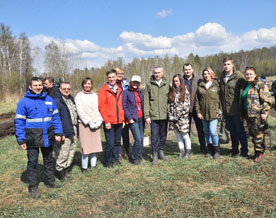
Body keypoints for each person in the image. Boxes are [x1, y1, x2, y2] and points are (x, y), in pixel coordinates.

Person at [14, 77, 63, 199]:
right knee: (32, 162)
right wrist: (21, 139)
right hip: (32, 137)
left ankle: (50, 181)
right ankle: (33, 186)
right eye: (35, 85)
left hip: (48, 135)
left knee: (48, 160)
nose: (38, 87)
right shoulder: (23, 102)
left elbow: (56, 118)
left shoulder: (49, 99)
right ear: (30, 86)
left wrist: (58, 133)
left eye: (40, 85)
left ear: (43, 86)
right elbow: (19, 122)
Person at [241, 67, 272, 162]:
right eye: (247, 74)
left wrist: (264, 112)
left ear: (255, 74)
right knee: (252, 134)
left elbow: (267, 100)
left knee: (259, 134)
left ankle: (259, 153)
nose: (248, 76)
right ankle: (256, 151)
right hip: (248, 114)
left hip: (257, 115)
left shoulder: (260, 85)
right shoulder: (245, 85)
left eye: (251, 74)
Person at [219, 57, 248, 157]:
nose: (226, 66)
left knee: (240, 131)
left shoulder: (238, 76)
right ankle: (235, 150)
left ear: (232, 65)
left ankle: (244, 150)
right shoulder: (222, 76)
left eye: (228, 64)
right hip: (226, 110)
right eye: (224, 64)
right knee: (232, 131)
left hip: (236, 110)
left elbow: (245, 89)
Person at [75, 77, 103, 172]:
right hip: (85, 125)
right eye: (85, 83)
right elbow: (80, 111)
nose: (87, 85)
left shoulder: (95, 96)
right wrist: (88, 121)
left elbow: (98, 109)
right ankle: (84, 167)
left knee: (94, 146)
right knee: (86, 147)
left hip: (95, 124)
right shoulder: (79, 96)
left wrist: (99, 120)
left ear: (92, 85)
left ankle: (93, 165)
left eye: (89, 83)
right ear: (83, 85)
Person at [98, 70, 125, 167]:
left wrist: (123, 119)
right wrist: (106, 121)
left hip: (119, 121)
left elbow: (122, 105)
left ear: (116, 77)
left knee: (117, 142)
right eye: (109, 77)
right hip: (109, 122)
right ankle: (108, 161)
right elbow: (102, 107)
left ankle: (116, 159)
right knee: (109, 143)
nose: (111, 79)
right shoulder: (103, 90)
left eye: (113, 77)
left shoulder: (120, 90)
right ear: (107, 78)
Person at [144, 66, 170, 165]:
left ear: (162, 73)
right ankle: (154, 154)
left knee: (163, 135)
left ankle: (161, 152)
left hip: (164, 114)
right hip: (153, 115)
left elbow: (171, 98)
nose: (157, 74)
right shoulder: (149, 85)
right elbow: (146, 101)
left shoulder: (167, 84)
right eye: (155, 72)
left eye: (159, 72)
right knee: (154, 136)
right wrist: (147, 115)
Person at [53, 81, 78, 181]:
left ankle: (66, 170)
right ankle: (60, 172)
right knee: (63, 151)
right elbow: (56, 118)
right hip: (64, 129)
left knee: (72, 150)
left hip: (73, 128)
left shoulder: (71, 99)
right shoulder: (57, 101)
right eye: (64, 89)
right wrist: (59, 133)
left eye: (68, 88)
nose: (66, 90)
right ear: (60, 89)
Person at [194, 68, 221, 159]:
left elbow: (221, 100)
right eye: (204, 74)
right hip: (203, 114)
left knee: (213, 131)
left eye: (208, 73)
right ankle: (209, 150)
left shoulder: (216, 85)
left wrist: (219, 112)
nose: (206, 75)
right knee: (207, 133)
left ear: (211, 74)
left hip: (214, 113)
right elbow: (197, 101)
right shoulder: (200, 86)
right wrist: (198, 112)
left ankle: (216, 150)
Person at [183, 63, 207, 154]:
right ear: (183, 70)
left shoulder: (199, 80)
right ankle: (187, 148)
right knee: (186, 130)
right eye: (186, 69)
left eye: (189, 69)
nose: (187, 71)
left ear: (192, 70)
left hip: (197, 109)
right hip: (185, 110)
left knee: (200, 129)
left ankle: (203, 147)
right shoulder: (181, 80)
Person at [168, 74, 191, 158]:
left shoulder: (185, 91)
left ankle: (188, 151)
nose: (175, 83)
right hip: (173, 119)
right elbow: (169, 105)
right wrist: (170, 115)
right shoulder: (172, 92)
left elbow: (187, 106)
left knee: (185, 135)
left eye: (177, 81)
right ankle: (182, 151)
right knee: (178, 136)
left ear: (181, 81)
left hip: (182, 118)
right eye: (174, 81)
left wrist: (179, 115)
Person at [122, 75, 144, 165]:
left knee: (142, 139)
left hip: (141, 118)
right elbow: (124, 106)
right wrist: (129, 118)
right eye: (134, 82)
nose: (135, 84)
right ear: (131, 82)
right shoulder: (126, 92)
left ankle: (139, 156)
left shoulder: (141, 92)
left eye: (137, 83)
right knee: (138, 139)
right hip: (133, 119)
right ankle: (134, 157)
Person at [115, 68, 130, 160]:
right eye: (118, 73)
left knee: (125, 134)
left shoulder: (126, 83)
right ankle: (117, 153)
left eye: (121, 73)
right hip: (116, 112)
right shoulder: (111, 83)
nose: (120, 75)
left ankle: (126, 152)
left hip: (125, 111)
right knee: (117, 135)